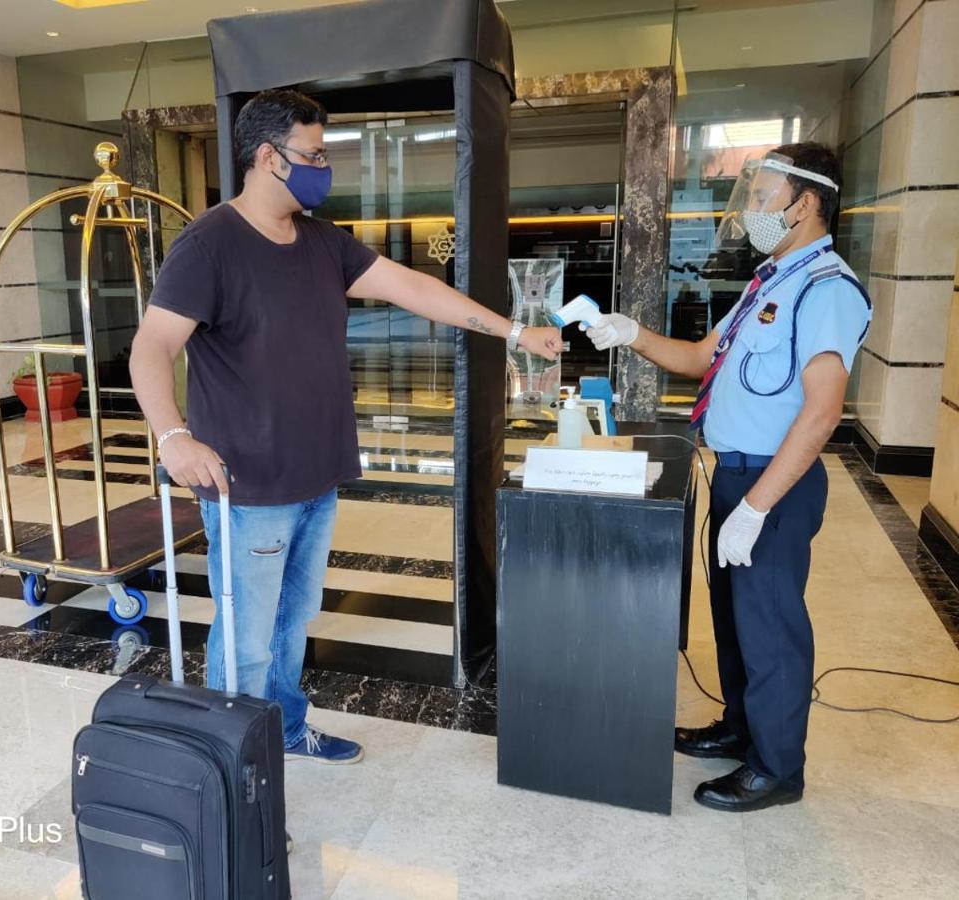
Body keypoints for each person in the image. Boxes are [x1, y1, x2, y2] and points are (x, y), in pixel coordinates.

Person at [131, 89, 561, 767]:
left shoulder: (322, 243)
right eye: (314, 155)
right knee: (247, 634)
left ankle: (285, 731)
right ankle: (230, 769)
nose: (323, 169)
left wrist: (513, 331)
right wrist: (172, 435)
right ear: (269, 158)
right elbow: (151, 345)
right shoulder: (209, 245)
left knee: (293, 622)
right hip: (247, 482)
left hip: (315, 475)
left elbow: (413, 288)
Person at [585, 142, 870, 811]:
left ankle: (777, 769)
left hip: (776, 485)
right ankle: (741, 729)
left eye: (764, 195)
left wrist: (757, 508)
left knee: (771, 627)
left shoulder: (826, 290)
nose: (751, 209)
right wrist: (631, 333)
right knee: (737, 621)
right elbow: (696, 358)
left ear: (808, 203)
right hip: (737, 478)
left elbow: (823, 410)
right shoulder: (766, 282)